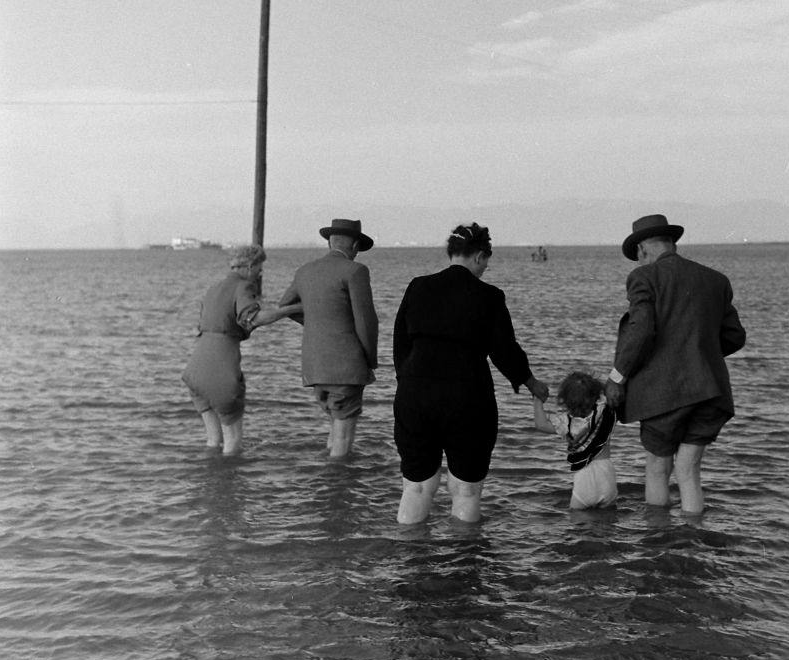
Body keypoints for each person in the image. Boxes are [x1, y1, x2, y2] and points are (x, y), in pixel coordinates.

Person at [392, 222, 549, 524]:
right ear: (479, 256)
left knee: (417, 486)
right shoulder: (488, 296)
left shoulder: (418, 286)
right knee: (466, 491)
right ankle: (464, 565)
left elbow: (401, 344)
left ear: (451, 252)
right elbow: (504, 351)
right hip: (467, 398)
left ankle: (410, 562)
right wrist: (531, 383)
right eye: (486, 261)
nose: (486, 268)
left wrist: (408, 383)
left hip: (415, 395)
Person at [604, 214, 746, 516]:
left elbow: (641, 331)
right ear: (671, 243)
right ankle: (693, 541)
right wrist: (697, 353)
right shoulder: (716, 280)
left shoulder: (644, 277)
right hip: (711, 391)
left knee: (658, 467)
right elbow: (735, 336)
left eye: (638, 256)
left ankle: (658, 547)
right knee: (688, 468)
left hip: (664, 395)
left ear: (642, 250)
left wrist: (617, 377)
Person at [182, 245, 300, 455]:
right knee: (233, 443)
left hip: (194, 370)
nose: (260, 273)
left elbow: (204, 326)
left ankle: (208, 483)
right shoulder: (244, 286)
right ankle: (230, 485)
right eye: (259, 268)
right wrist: (293, 309)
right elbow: (253, 318)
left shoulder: (213, 289)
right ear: (249, 266)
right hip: (221, 371)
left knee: (213, 440)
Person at [278, 218, 379, 459]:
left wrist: (314, 321)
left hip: (314, 366)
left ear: (329, 243)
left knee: (335, 429)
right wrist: (370, 360)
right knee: (344, 437)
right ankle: (337, 489)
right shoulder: (355, 271)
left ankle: (326, 486)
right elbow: (366, 322)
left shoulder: (304, 271)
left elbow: (285, 305)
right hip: (346, 366)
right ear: (354, 245)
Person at [532, 370, 617, 510]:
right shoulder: (606, 411)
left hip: (584, 477)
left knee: (579, 522)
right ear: (596, 394)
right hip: (607, 474)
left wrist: (537, 400)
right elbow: (613, 395)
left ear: (565, 400)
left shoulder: (567, 423)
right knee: (607, 523)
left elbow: (541, 424)